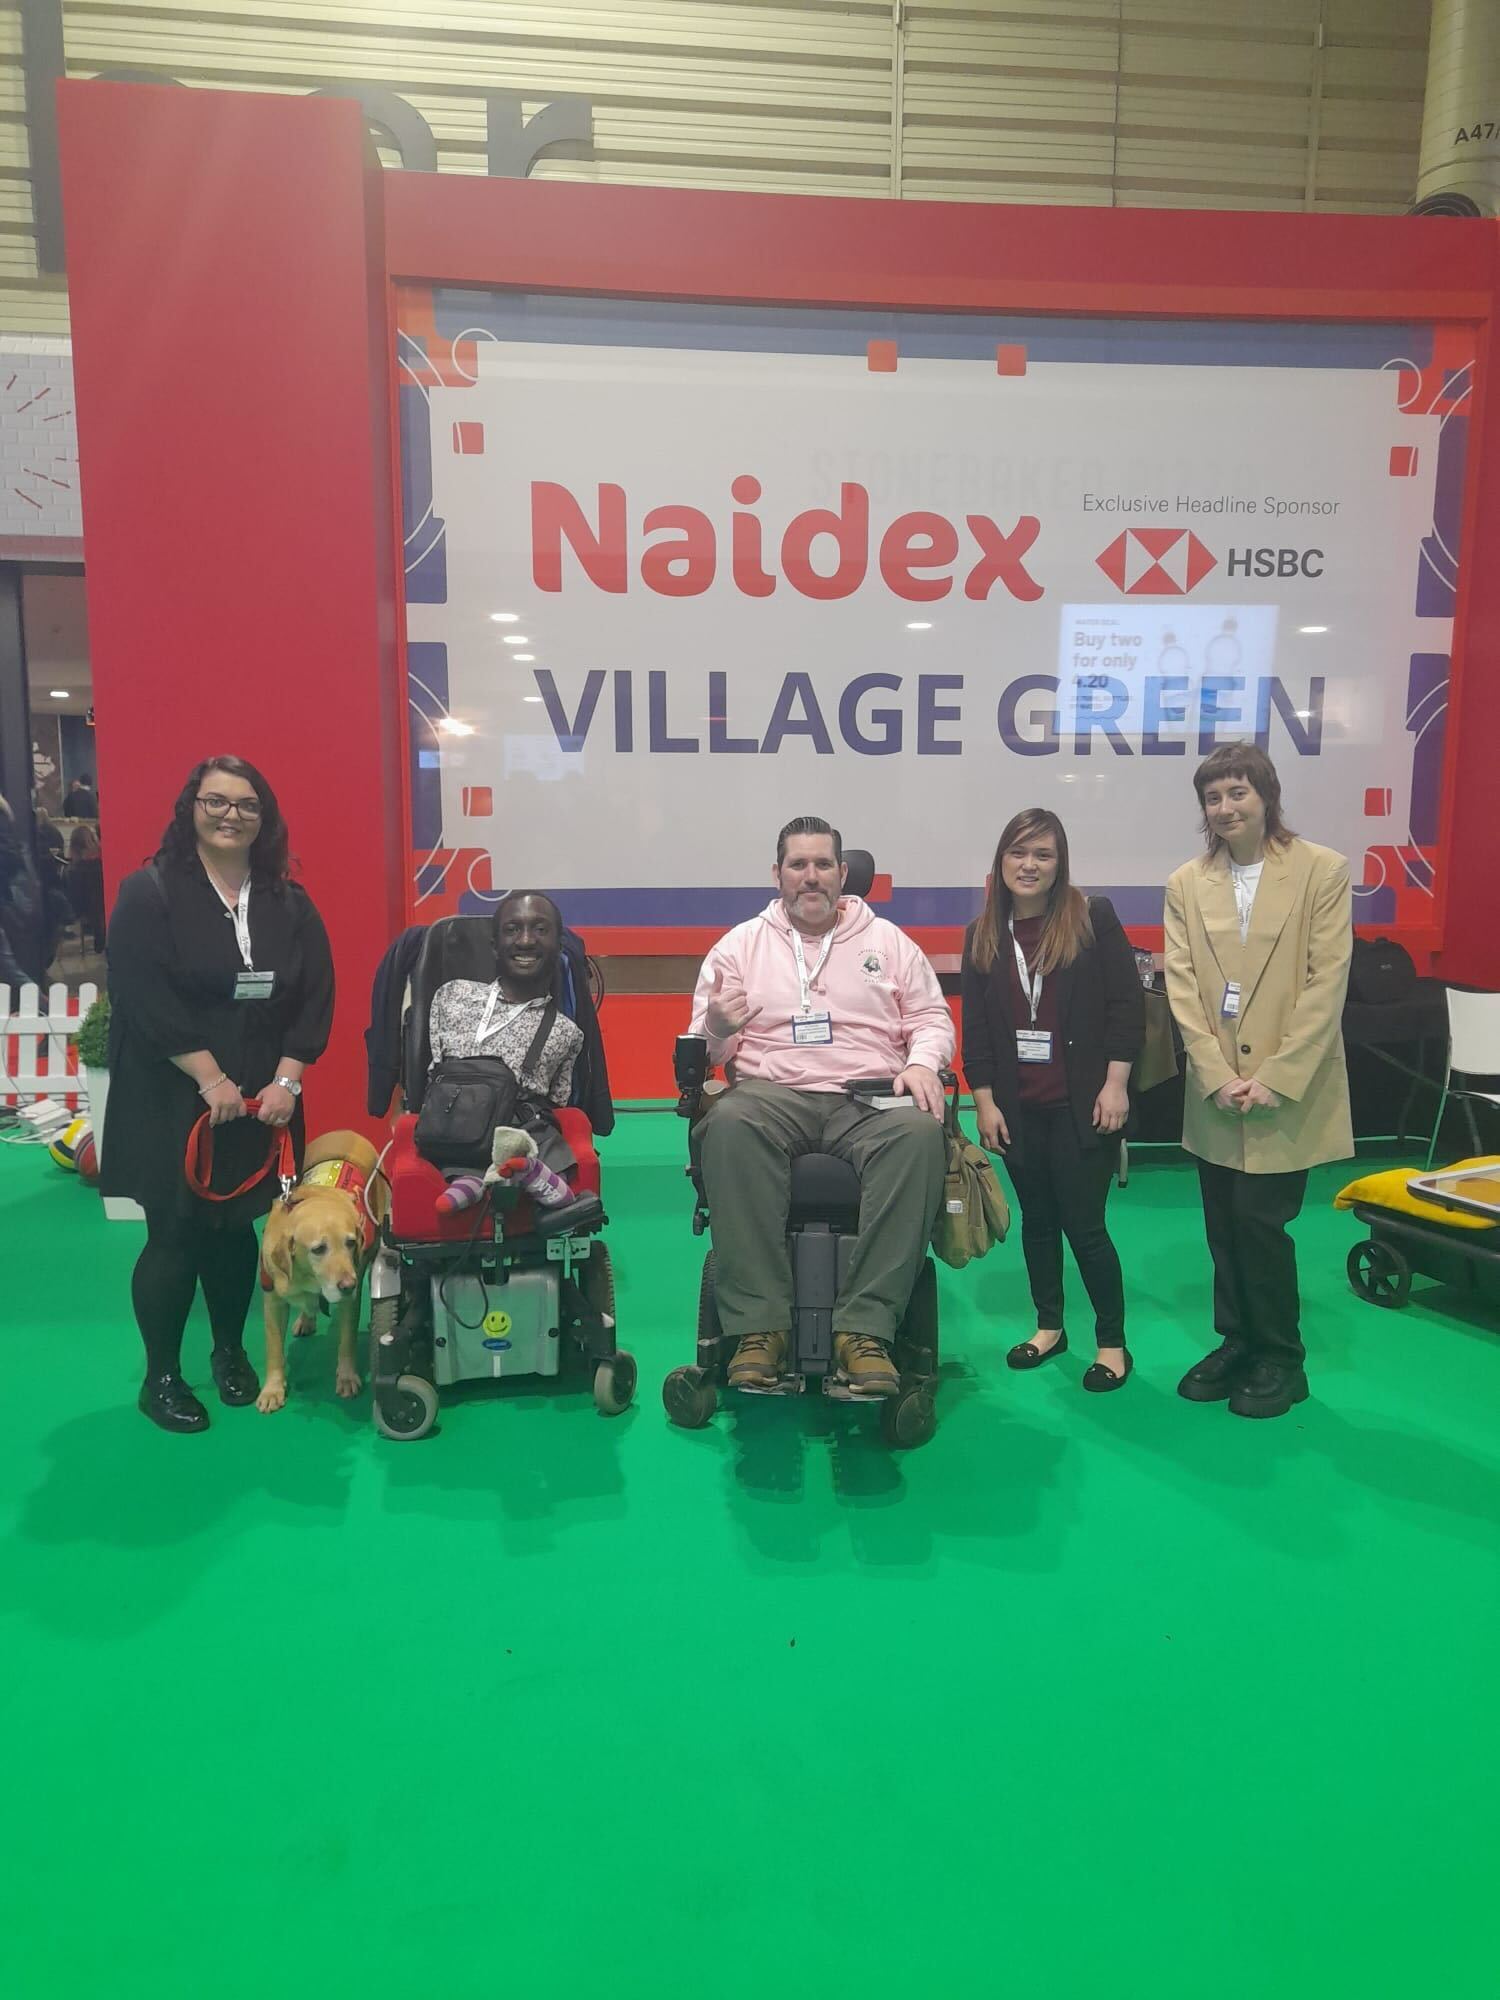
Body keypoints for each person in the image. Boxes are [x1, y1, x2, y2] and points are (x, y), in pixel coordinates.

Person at [102, 756, 334, 1433]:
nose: (232, 814)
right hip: (171, 1094)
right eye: (216, 801)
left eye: (247, 804)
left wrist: (288, 1079)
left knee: (238, 1233)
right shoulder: (149, 893)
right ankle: (163, 1378)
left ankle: (231, 1354)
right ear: (190, 809)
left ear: (265, 820)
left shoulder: (290, 901)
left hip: (263, 1096)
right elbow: (143, 995)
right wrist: (209, 1078)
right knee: (173, 1237)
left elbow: (314, 993)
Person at [687, 815, 952, 1397]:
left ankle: (866, 1332)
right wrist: (717, 1027)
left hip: (868, 1095)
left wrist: (920, 1063)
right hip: (770, 1094)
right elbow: (704, 1049)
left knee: (919, 1135)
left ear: (843, 872)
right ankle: (761, 1331)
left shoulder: (889, 943)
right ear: (777, 873)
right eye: (798, 865)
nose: (811, 877)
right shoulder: (739, 946)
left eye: (823, 865)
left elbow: (932, 1018)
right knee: (728, 1122)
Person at [1164, 743, 1352, 1419]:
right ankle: (1237, 1341)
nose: (1225, 808)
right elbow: (1182, 987)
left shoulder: (1321, 871)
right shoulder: (1187, 882)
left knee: (1260, 1221)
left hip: (1286, 1086)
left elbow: (1325, 982)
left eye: (1237, 793)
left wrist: (1277, 1074)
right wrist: (1215, 1074)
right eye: (1213, 798)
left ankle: (1281, 1357)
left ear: (1266, 795)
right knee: (1222, 1222)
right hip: (1218, 1088)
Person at [961, 808, 1145, 1390]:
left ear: (1060, 862)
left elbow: (1127, 1005)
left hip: (1082, 1106)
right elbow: (978, 1031)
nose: (1030, 865)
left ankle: (1112, 1343)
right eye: (1019, 853)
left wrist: (1116, 1083)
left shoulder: (1092, 918)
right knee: (1038, 1223)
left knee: (1084, 1226)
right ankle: (1049, 1327)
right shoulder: (984, 934)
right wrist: (984, 1103)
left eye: (1043, 854)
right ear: (1001, 863)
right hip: (1018, 1108)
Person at [423, 889, 585, 1209]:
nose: (525, 940)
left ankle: (530, 1172)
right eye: (512, 930)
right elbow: (435, 1067)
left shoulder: (568, 1033)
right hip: (455, 1121)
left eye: (540, 929)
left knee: (539, 1125)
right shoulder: (451, 994)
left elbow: (557, 1101)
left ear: (558, 944)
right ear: (495, 945)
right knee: (455, 1127)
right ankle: (471, 1179)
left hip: (520, 1126)